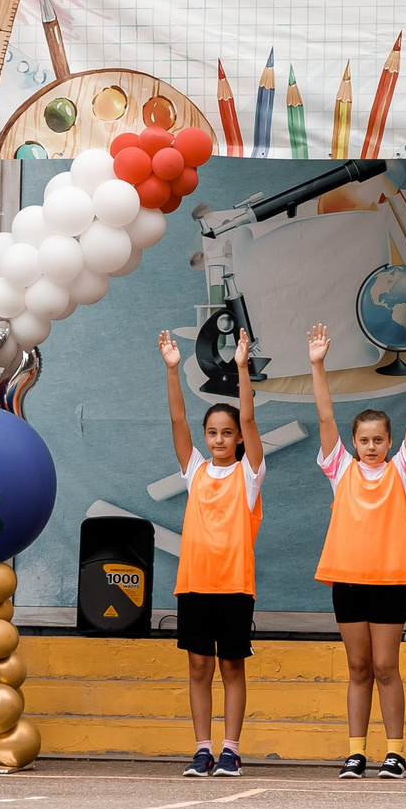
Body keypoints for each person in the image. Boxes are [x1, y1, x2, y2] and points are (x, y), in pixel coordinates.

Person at [308, 320, 406, 780]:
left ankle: (395, 752)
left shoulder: (403, 472)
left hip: (389, 584)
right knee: (358, 667)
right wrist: (317, 366)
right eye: (364, 440)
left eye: (379, 440)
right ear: (354, 443)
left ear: (390, 442)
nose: (372, 446)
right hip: (347, 584)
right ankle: (356, 752)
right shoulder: (340, 469)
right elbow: (326, 418)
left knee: (385, 666)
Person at [159, 325, 258, 778]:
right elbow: (178, 421)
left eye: (227, 433)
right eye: (212, 433)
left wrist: (242, 367)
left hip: (234, 586)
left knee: (231, 666)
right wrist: (172, 369)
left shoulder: (250, 475)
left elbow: (250, 420)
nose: (219, 439)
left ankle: (231, 750)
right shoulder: (195, 470)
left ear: (238, 439)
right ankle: (203, 749)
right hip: (195, 585)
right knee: (199, 666)